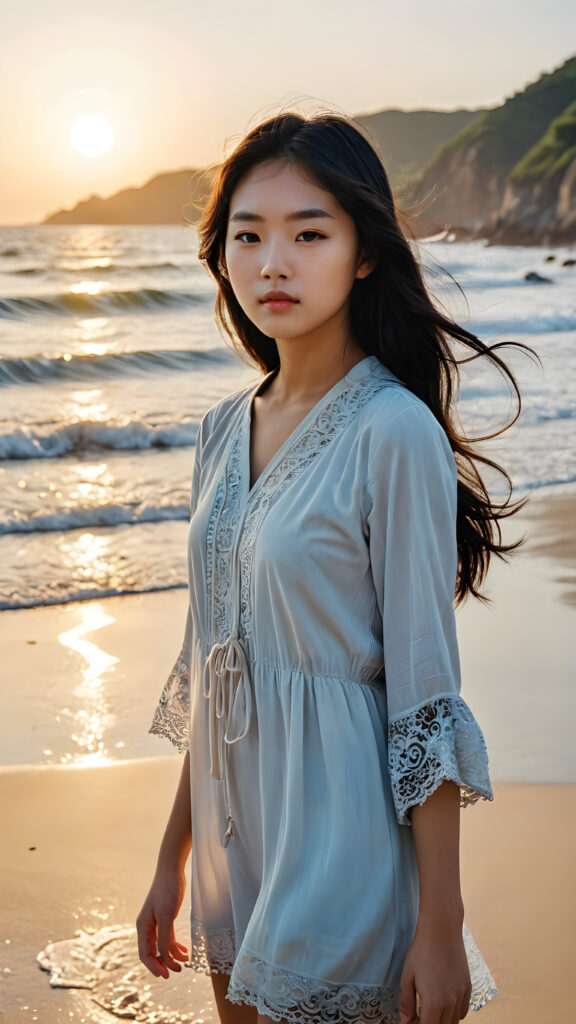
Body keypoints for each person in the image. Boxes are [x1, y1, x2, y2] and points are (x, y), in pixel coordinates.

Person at [136, 110, 531, 1024]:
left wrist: (441, 924)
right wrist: (173, 857)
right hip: (239, 844)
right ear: (223, 254)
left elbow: (424, 695)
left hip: (345, 841)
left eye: (309, 233)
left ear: (362, 254)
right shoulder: (219, 428)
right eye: (249, 234)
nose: (273, 262)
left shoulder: (393, 432)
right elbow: (214, 661)